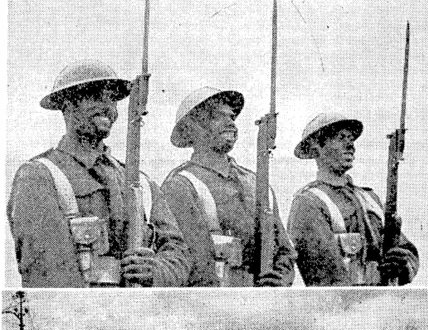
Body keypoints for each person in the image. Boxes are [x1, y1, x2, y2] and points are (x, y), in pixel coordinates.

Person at [7, 62, 189, 290]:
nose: (107, 107)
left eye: (112, 99)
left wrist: (157, 271)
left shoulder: (139, 182)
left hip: (140, 313)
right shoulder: (40, 176)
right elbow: (48, 273)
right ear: (68, 105)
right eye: (95, 97)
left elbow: (178, 251)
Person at [161, 87, 295, 288]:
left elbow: (285, 251)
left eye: (232, 117)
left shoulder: (256, 183)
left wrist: (279, 279)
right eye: (216, 117)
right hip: (210, 304)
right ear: (191, 129)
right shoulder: (181, 185)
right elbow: (191, 263)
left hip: (259, 301)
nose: (230, 123)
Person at [288, 113, 419, 287]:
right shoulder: (309, 202)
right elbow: (324, 276)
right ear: (316, 148)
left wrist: (401, 264)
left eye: (351, 139)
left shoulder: (369, 198)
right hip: (343, 306)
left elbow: (407, 250)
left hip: (385, 301)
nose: (350, 145)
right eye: (341, 138)